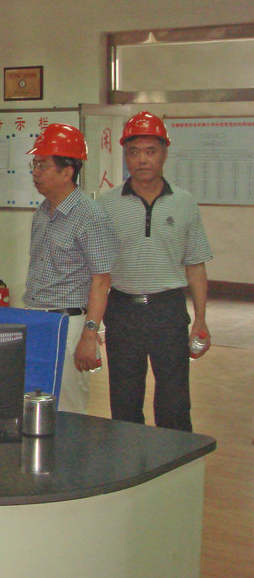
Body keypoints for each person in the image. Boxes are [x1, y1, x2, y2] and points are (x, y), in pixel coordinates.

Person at [99, 111, 212, 432]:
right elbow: (98, 271)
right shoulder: (107, 205)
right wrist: (91, 326)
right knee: (124, 400)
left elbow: (196, 265)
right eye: (133, 152)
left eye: (150, 151)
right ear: (126, 156)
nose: (142, 160)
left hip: (169, 310)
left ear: (164, 154)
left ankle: (175, 459)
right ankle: (128, 459)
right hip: (122, 311)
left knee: (174, 401)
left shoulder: (185, 203)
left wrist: (201, 319)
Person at [23, 124, 117, 414]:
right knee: (34, 404)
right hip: (36, 319)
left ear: (67, 172)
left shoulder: (90, 215)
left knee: (68, 408)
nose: (35, 172)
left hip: (69, 324)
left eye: (42, 165)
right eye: (34, 164)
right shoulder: (43, 211)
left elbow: (101, 281)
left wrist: (89, 336)